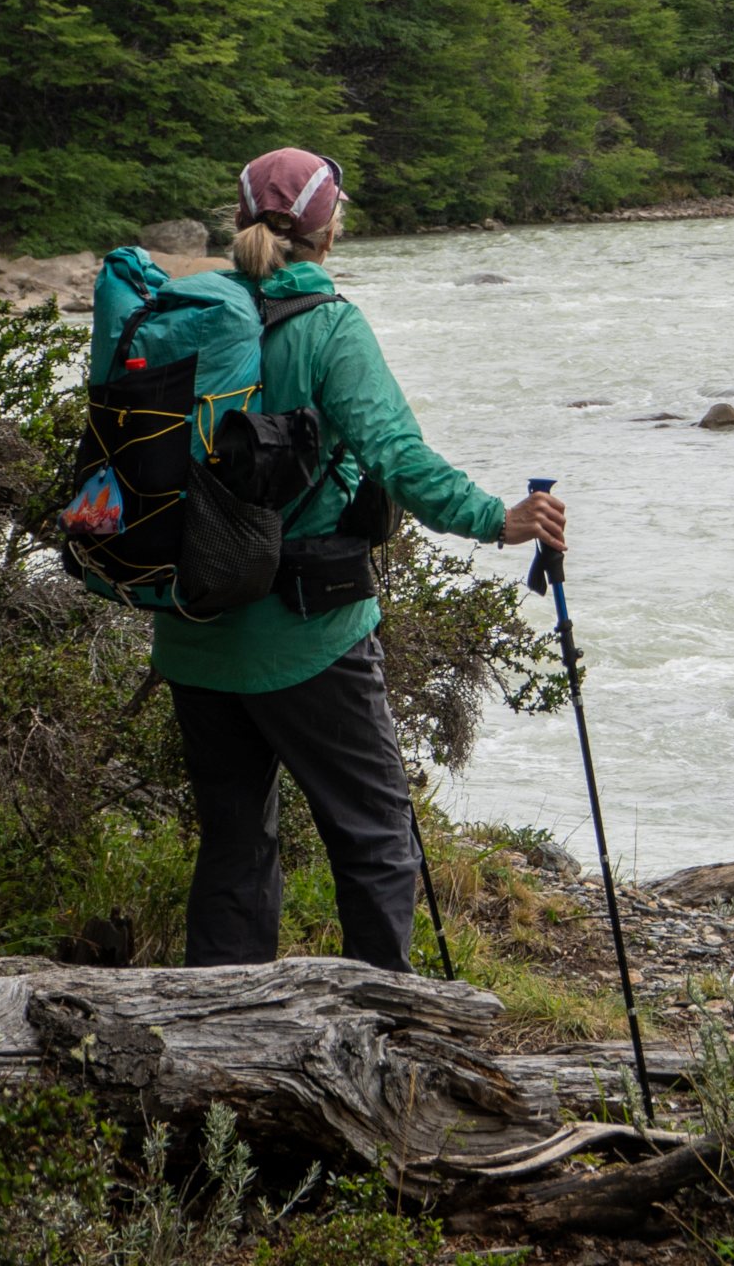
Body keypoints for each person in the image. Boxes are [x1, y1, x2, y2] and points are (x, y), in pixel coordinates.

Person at [148, 145, 563, 971]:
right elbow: (398, 456)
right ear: (327, 232)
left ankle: (225, 1036)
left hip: (192, 626)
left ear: (238, 224)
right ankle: (387, 1031)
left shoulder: (185, 314)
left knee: (233, 847)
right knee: (374, 836)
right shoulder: (328, 326)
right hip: (310, 634)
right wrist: (497, 520)